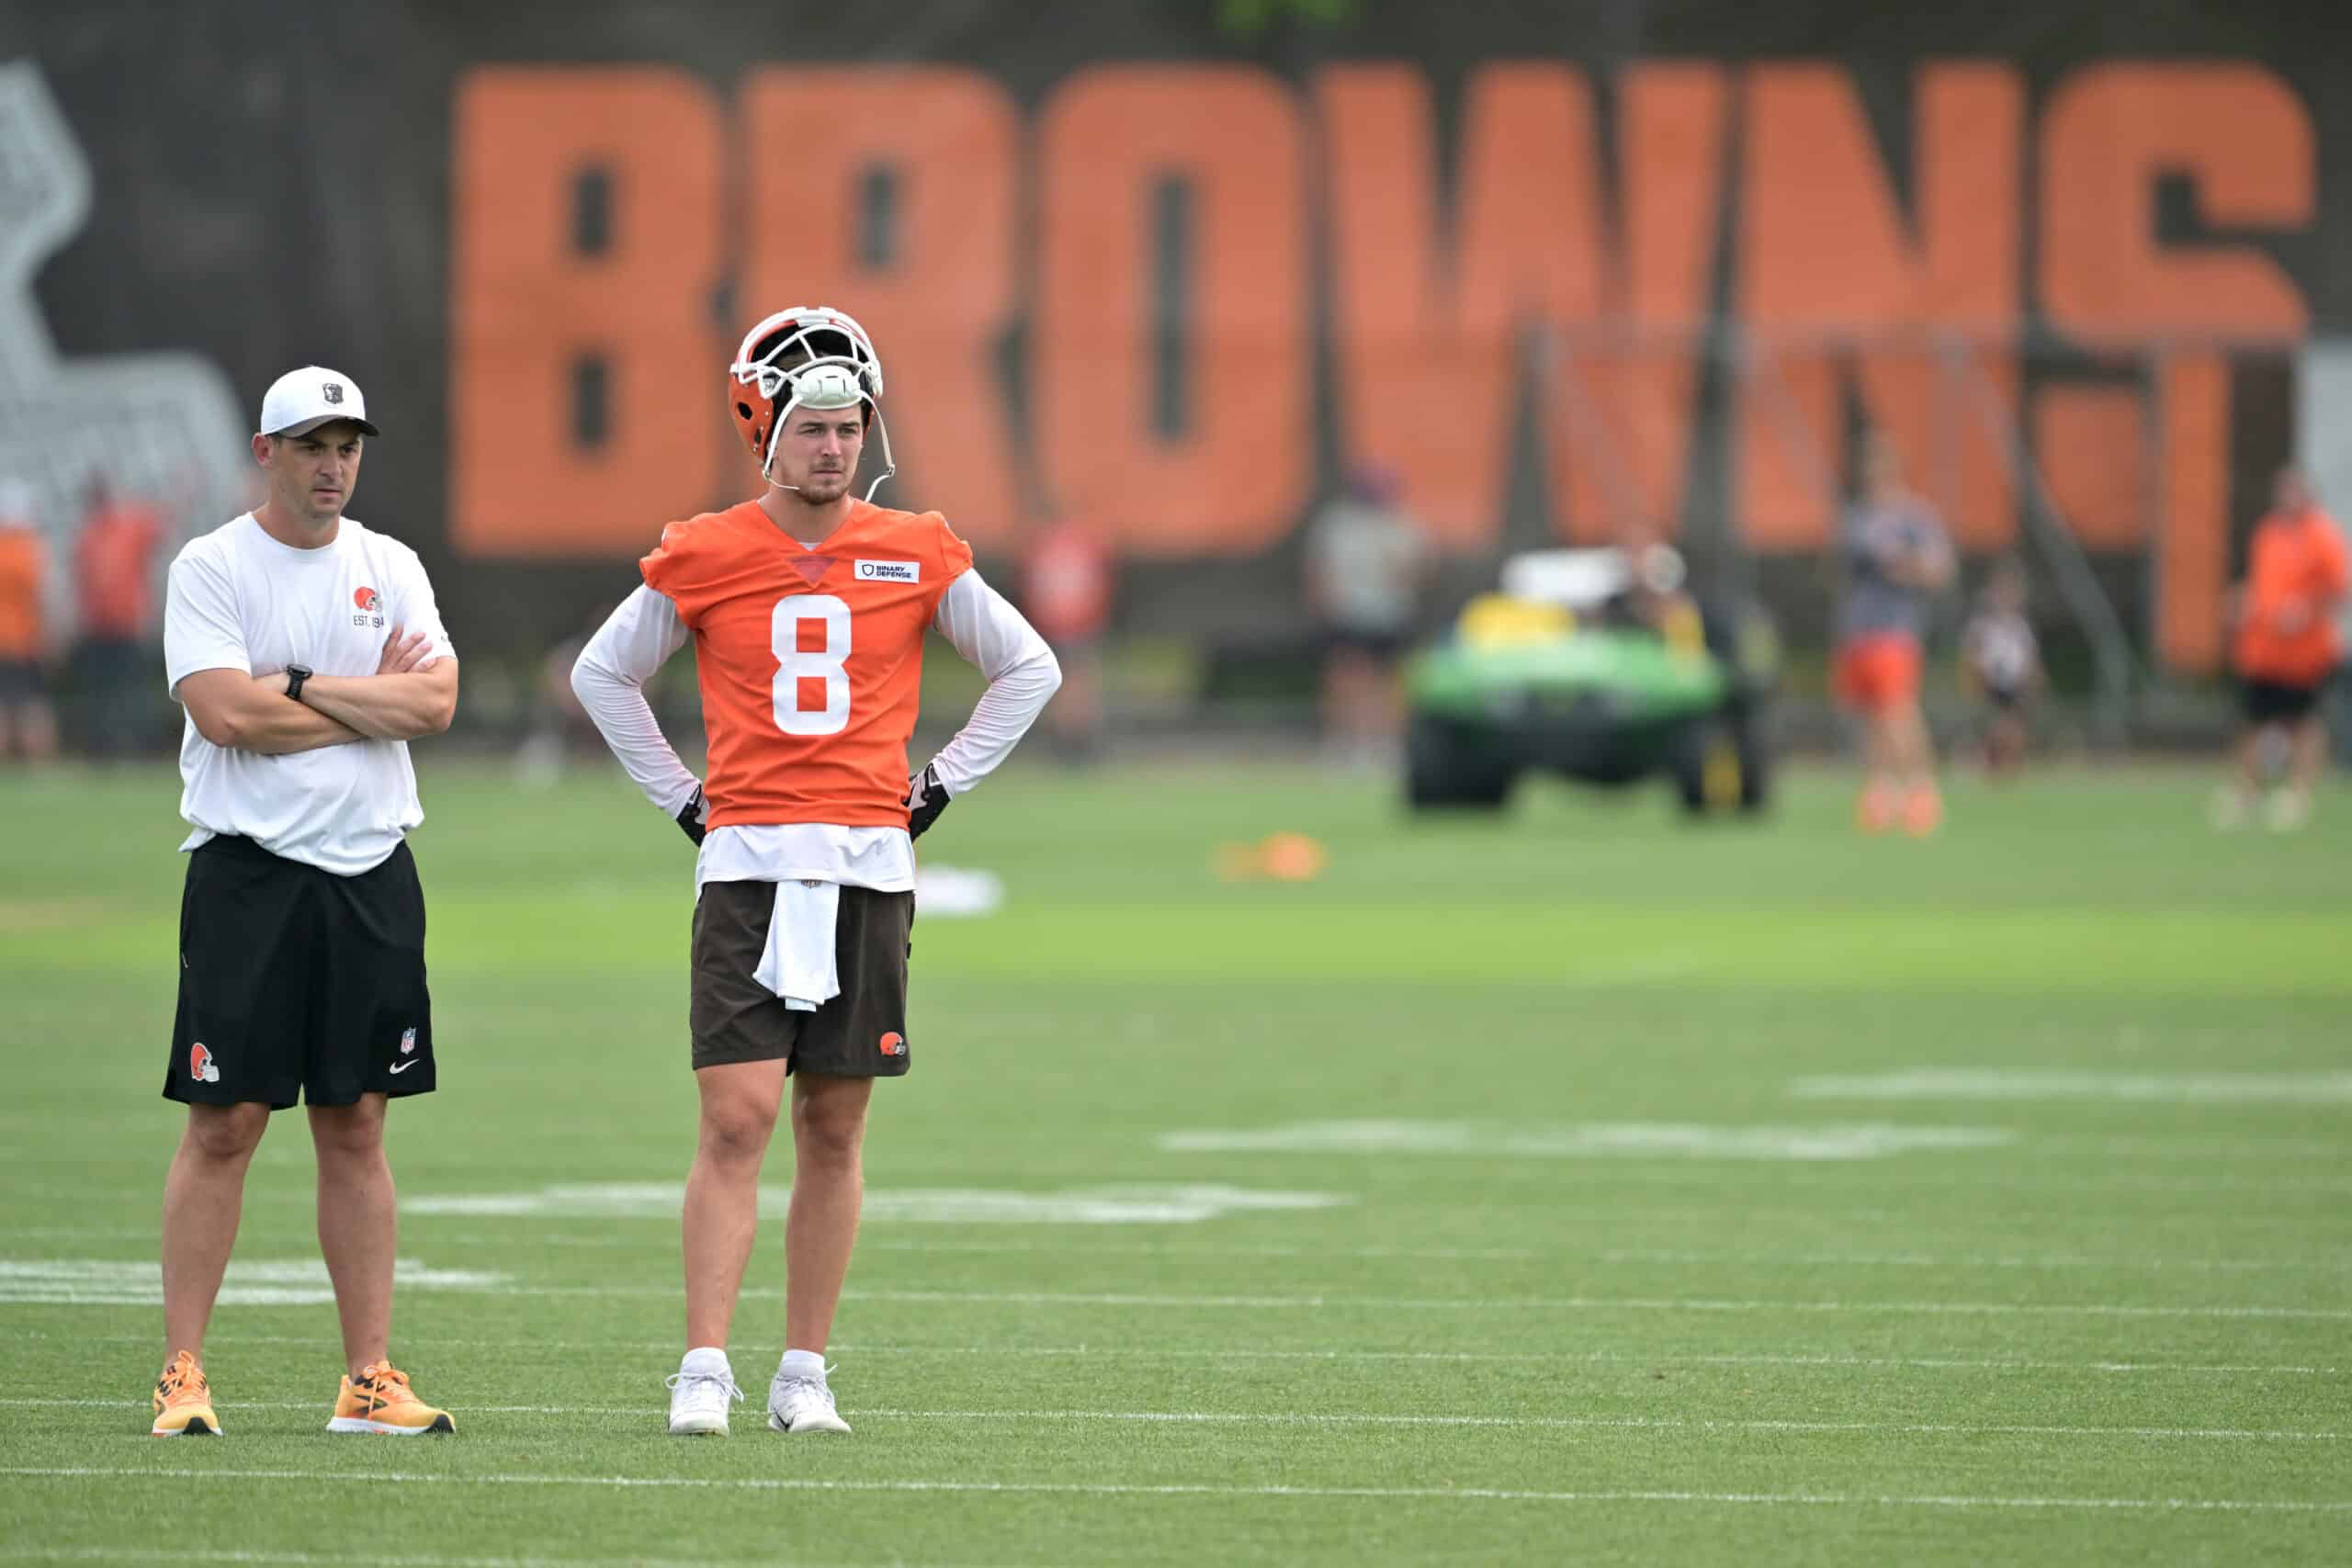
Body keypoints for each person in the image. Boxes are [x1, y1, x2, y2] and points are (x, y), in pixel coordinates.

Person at [570, 306, 1059, 1438]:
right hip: (747, 860)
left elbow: (1027, 668)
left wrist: (936, 786)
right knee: (736, 1119)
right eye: (813, 427)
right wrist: (685, 800)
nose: (833, 448)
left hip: (868, 866)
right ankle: (703, 1366)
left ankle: (803, 1370)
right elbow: (604, 676)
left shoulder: (919, 546)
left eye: (849, 427)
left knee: (833, 1128)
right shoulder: (703, 549)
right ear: (764, 427)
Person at [151, 367, 459, 1438]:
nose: (334, 466)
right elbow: (226, 715)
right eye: (312, 446)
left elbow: (435, 699)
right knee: (226, 1121)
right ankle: (182, 1371)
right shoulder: (212, 566)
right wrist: (358, 704)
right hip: (249, 876)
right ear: (265, 452)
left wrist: (296, 686)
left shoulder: (391, 564)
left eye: (348, 446)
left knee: (359, 1120)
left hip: (370, 869)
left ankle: (366, 1380)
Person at [2216, 465, 2349, 831]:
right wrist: (2245, 600)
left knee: (2304, 722)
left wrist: (2305, 608)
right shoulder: (2268, 533)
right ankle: (2248, 790)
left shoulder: (2323, 535)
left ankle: (2297, 794)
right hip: (2263, 649)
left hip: (2305, 653)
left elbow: (2340, 589)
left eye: (2294, 491)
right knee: (2253, 720)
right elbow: (2263, 584)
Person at [1833, 434, 1954, 834]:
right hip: (1860, 631)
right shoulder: (1858, 519)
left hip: (1896, 630)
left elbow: (1940, 570)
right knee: (1872, 715)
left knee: (1898, 711)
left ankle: (1921, 789)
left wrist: (1909, 566)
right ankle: (1882, 792)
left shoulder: (1915, 518)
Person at [1305, 462, 1430, 762]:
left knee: (1389, 680)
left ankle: (1387, 743)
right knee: (1346, 678)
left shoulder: (1403, 526)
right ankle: (1345, 742)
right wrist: (1327, 603)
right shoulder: (1338, 525)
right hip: (1348, 614)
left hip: (1390, 614)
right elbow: (1320, 571)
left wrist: (1401, 571)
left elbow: (1420, 571)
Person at [74, 476, 165, 759]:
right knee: (101, 694)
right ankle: (103, 749)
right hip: (99, 628)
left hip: (127, 625)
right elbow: (83, 582)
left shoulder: (127, 525)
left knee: (131, 692)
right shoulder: (88, 535)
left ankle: (138, 747)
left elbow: (160, 525)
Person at [1021, 508, 1114, 761]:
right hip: (1064, 627)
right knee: (1064, 683)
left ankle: (1077, 739)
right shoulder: (1063, 548)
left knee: (1072, 682)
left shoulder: (1055, 548)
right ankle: (1068, 740)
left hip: (1071, 627)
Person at [1960, 557, 2041, 777]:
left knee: (2013, 727)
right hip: (1992, 681)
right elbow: (1973, 652)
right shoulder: (1983, 624)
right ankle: (1991, 762)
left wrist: (2033, 678)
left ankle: (2007, 766)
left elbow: (2028, 656)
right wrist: (1974, 676)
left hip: (2015, 682)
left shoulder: (2019, 625)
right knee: (2000, 725)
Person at [0, 479, 59, 761]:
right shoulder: (30, 550)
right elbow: (43, 598)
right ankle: (38, 764)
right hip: (24, 641)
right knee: (32, 705)